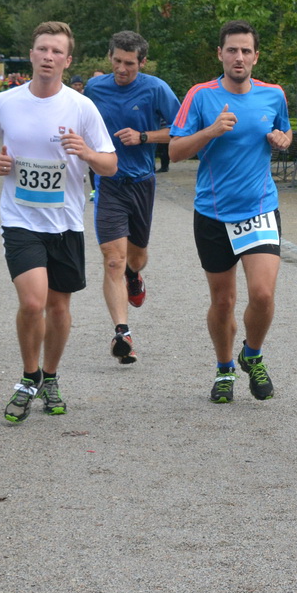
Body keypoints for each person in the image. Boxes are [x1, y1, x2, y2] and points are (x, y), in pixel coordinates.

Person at [0, 21, 117, 423]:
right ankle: (28, 375)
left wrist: (86, 153)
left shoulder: (81, 107)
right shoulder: (6, 102)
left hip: (65, 222)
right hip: (20, 218)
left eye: (57, 52)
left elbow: (110, 164)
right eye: (42, 49)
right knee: (33, 302)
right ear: (32, 54)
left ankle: (50, 377)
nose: (48, 57)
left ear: (67, 61)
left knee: (58, 306)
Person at [169, 21, 290, 401]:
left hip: (259, 208)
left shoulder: (273, 94)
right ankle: (224, 370)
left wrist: (283, 139)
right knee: (223, 302)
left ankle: (252, 355)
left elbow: (284, 132)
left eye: (246, 51)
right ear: (220, 54)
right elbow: (174, 151)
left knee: (263, 294)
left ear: (256, 57)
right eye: (232, 50)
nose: (239, 57)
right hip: (213, 213)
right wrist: (210, 131)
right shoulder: (200, 95)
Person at [84, 31, 178, 365]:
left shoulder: (156, 89)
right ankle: (122, 333)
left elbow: (182, 129)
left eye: (129, 63)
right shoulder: (95, 88)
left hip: (142, 183)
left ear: (142, 62)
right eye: (117, 61)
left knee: (135, 258)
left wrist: (144, 137)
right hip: (108, 183)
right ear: (110, 57)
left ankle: (134, 275)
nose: (122, 69)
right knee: (113, 259)